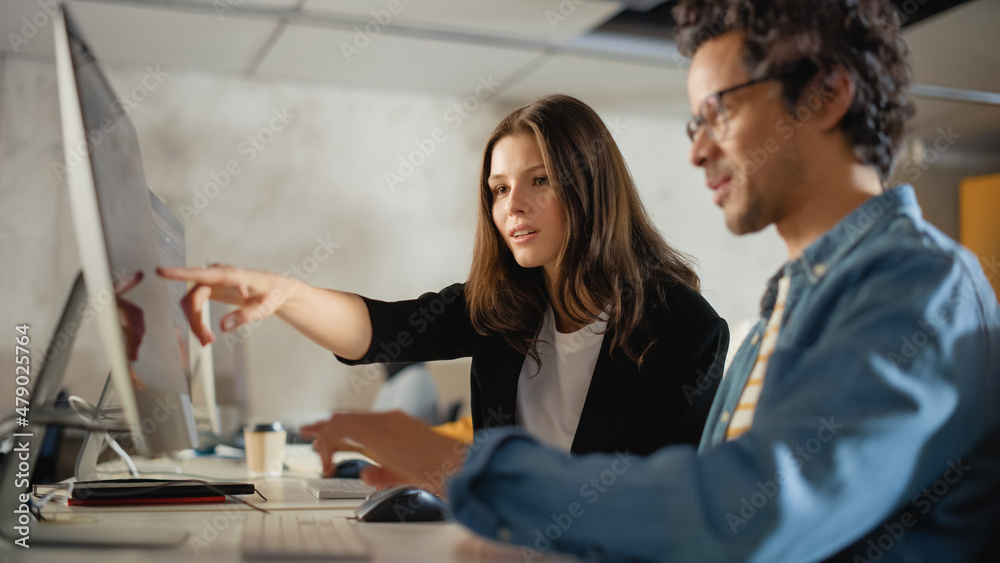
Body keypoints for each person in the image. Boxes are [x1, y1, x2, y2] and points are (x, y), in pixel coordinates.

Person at [303, 0, 1000, 561]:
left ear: (825, 93)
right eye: (692, 121)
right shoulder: (785, 311)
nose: (697, 148)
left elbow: (744, 514)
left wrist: (465, 468)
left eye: (719, 110)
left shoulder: (919, 285)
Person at [159, 94, 730, 478]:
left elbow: (662, 507)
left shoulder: (684, 330)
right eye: (499, 189)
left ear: (591, 185)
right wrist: (281, 293)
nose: (514, 206)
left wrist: (444, 469)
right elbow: (379, 332)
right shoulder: (506, 306)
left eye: (540, 181)